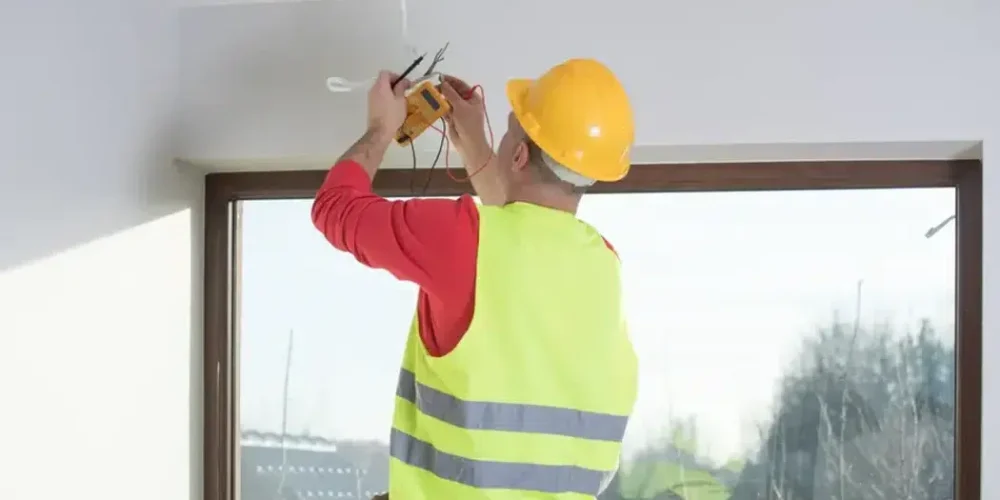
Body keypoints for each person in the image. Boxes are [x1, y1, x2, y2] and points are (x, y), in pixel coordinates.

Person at [312, 58, 638, 499]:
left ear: (519, 154)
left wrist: (380, 128)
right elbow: (519, 236)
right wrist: (478, 149)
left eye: (509, 132)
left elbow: (335, 208)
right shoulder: (605, 265)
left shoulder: (464, 237)